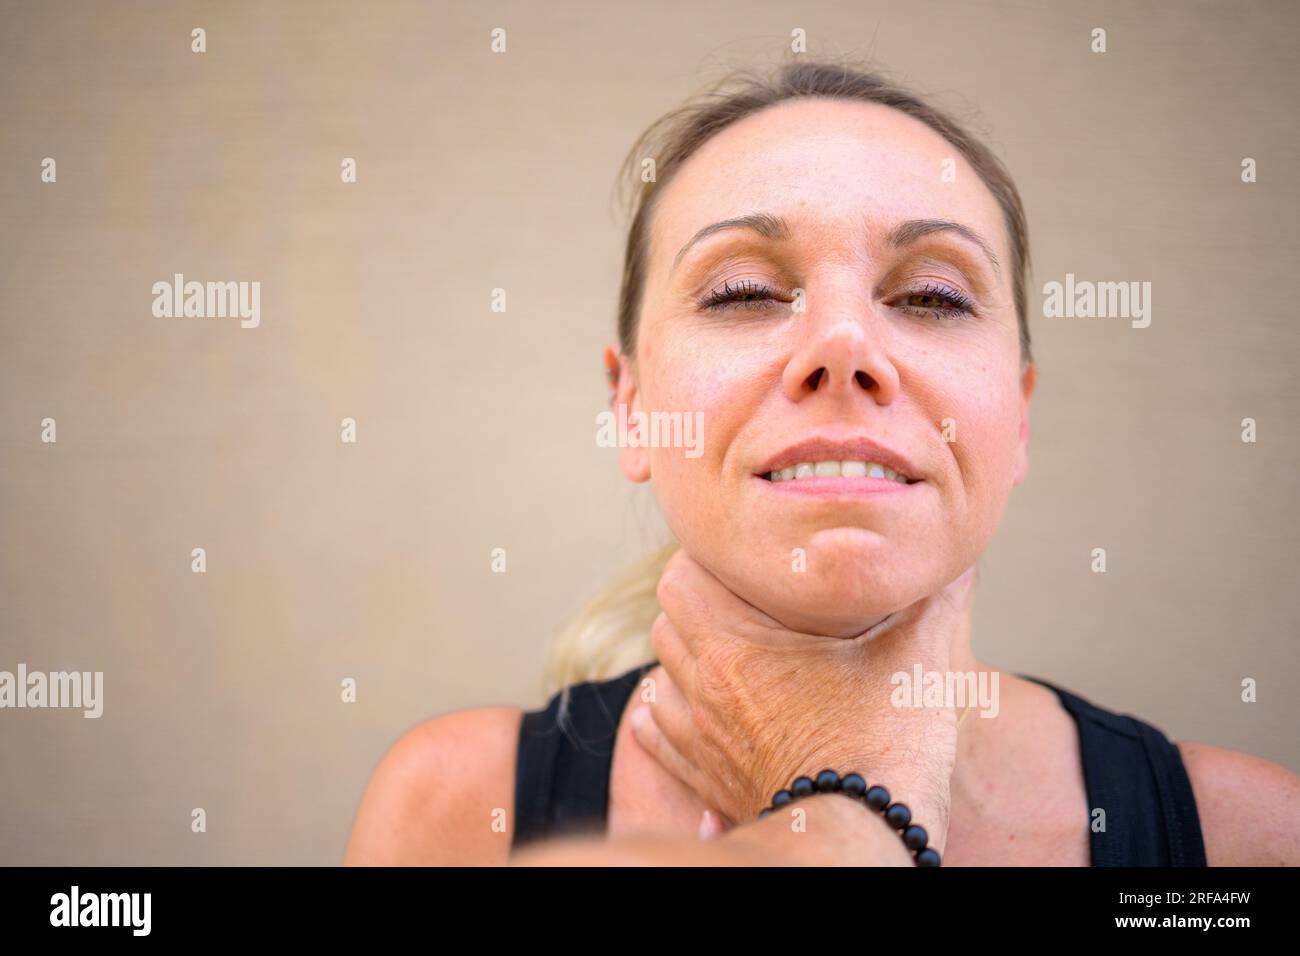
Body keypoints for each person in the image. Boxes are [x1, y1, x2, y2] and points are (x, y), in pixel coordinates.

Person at [343, 60, 1300, 866]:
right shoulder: (450, 809)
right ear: (630, 407)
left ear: (1019, 418)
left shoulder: (1248, 839)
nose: (842, 345)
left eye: (930, 297)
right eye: (745, 291)